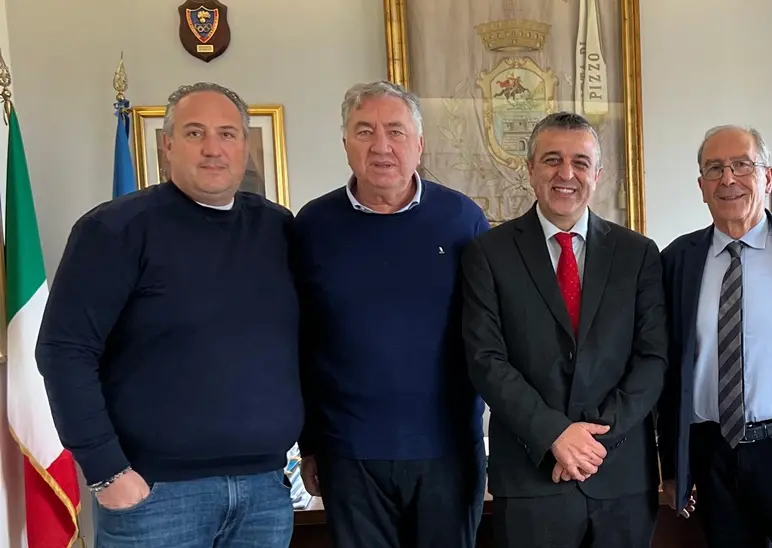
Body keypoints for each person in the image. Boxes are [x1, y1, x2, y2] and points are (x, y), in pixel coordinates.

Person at [35, 82, 301, 547]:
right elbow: (64, 351)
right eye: (195, 133)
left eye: (228, 134)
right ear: (167, 145)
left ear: (245, 145)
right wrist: (107, 472)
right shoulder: (114, 230)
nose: (213, 149)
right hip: (154, 496)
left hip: (264, 490)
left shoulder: (279, 230)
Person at [290, 81, 489, 548]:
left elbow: (489, 335)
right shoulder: (313, 226)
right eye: (364, 131)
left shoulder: (462, 219)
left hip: (448, 450)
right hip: (349, 452)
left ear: (419, 144)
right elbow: (299, 340)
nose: (381, 146)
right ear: (345, 145)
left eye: (396, 132)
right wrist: (309, 443)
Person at [460, 111, 667, 548]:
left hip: (621, 477)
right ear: (530, 169)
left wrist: (592, 444)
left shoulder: (639, 254)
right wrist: (554, 433)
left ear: (598, 174)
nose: (566, 174)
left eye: (580, 162)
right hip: (531, 476)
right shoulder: (488, 254)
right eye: (552, 160)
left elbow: (652, 360)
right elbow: (486, 360)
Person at [656, 125, 772, 548]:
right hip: (711, 454)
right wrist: (672, 466)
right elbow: (667, 367)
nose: (728, 179)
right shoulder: (676, 260)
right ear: (701, 186)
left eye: (742, 165)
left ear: (767, 178)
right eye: (715, 169)